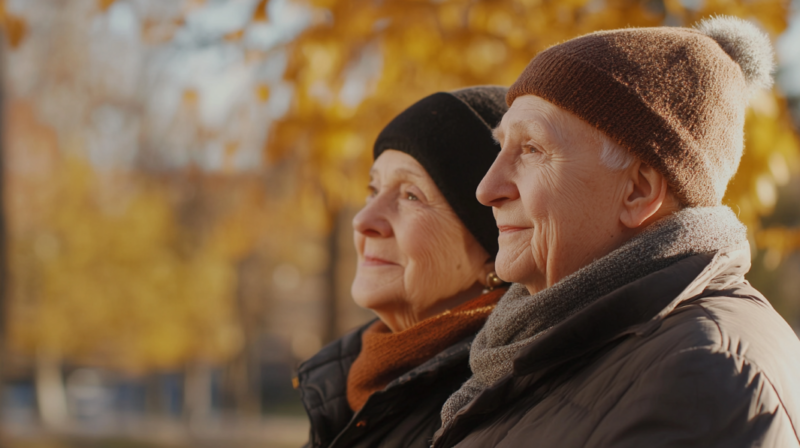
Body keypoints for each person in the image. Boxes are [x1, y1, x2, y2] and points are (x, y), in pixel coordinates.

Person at [433, 16, 800, 448]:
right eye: (502, 148)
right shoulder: (553, 347)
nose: (486, 190)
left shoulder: (702, 375)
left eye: (532, 149)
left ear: (639, 192)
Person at [295, 86, 510, 448]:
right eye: (372, 189)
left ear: (492, 254)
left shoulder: (491, 410)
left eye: (412, 195)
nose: (364, 220)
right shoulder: (349, 383)